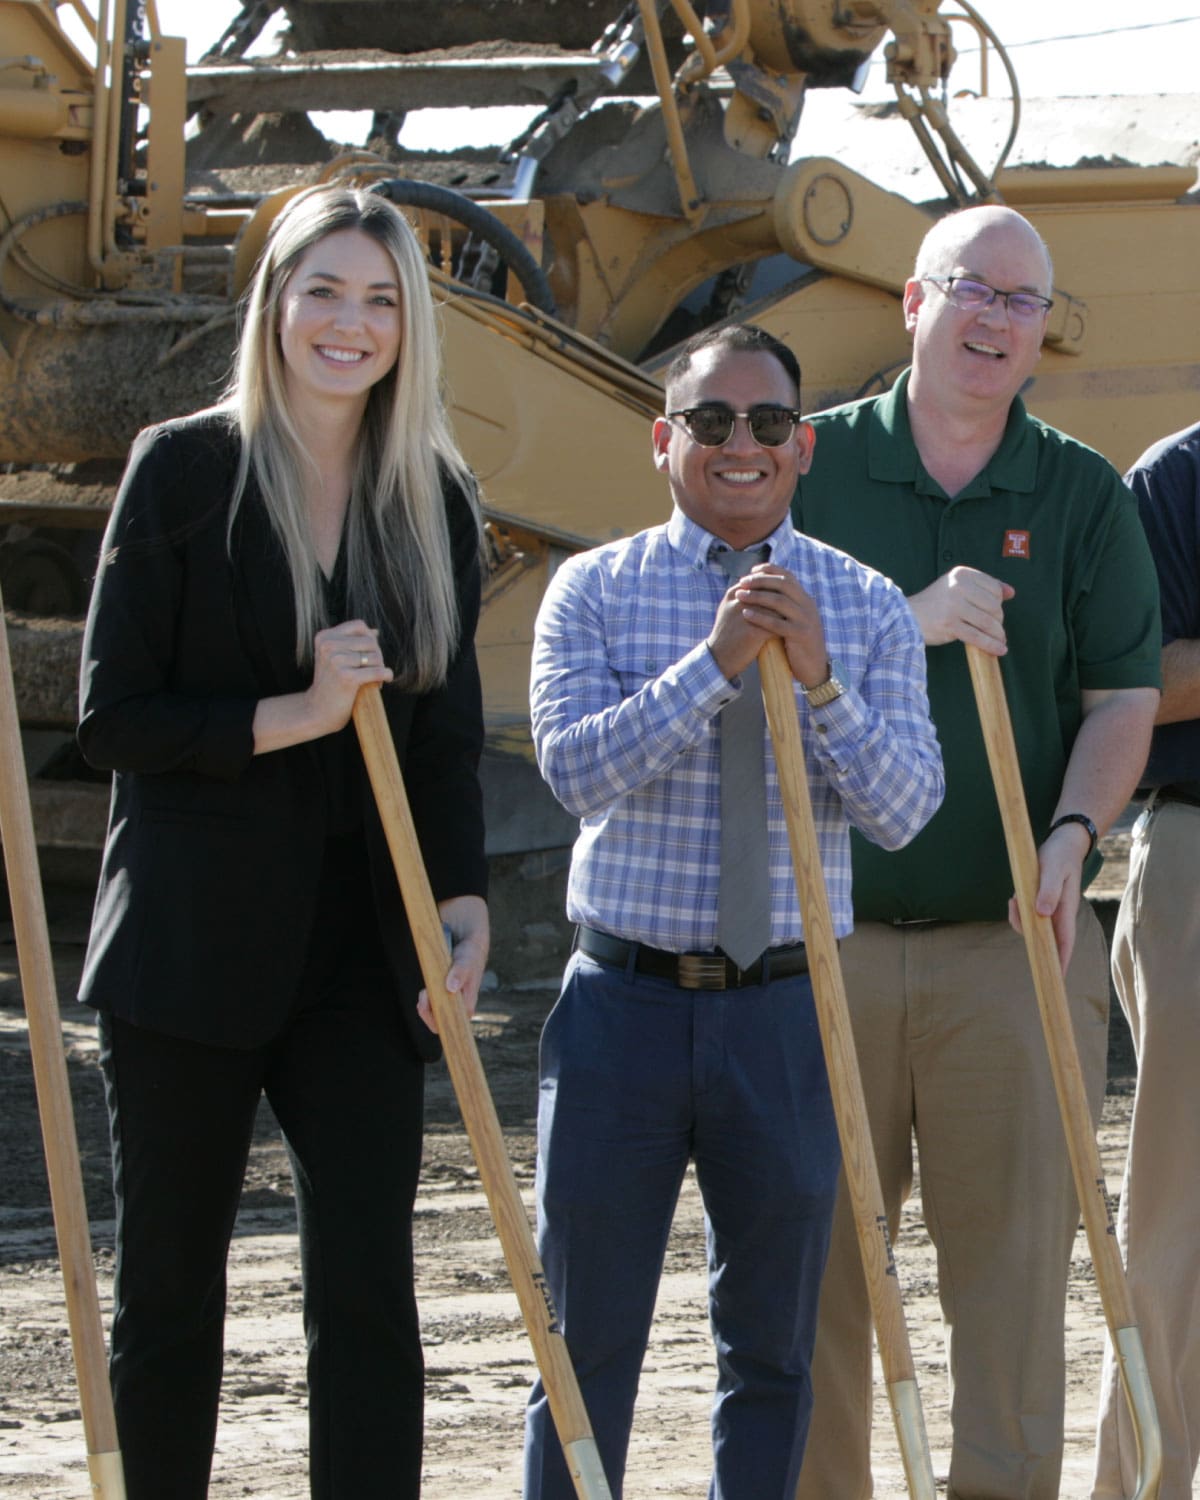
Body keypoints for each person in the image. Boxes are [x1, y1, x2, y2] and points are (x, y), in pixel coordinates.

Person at [76, 184, 490, 1500]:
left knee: (368, 1298)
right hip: (187, 957)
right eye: (323, 291)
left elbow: (444, 735)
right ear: (274, 305)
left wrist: (464, 898)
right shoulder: (185, 469)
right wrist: (293, 716)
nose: (349, 324)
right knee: (169, 1300)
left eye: (379, 300)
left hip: (362, 966)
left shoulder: (432, 495)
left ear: (407, 327)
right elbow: (115, 718)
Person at [523, 322, 944, 1499]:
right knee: (585, 1342)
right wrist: (715, 664)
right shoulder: (592, 591)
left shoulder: (861, 608)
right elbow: (573, 772)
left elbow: (909, 810)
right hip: (622, 1010)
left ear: (803, 447)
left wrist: (820, 684)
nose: (740, 444)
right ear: (664, 442)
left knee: (771, 1348)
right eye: (710, 422)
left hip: (787, 1017)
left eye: (767, 423)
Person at [792, 204, 1162, 1500]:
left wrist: (1075, 833)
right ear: (912, 302)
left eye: (1026, 303)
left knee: (1010, 1282)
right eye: (978, 291)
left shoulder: (1079, 490)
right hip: (817, 942)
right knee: (820, 1279)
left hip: (1014, 938)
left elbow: (1123, 695)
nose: (1002, 321)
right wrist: (906, 620)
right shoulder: (803, 463)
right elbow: (729, 657)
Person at [1092, 420, 1200, 1500]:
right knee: (1180, 1223)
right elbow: (1134, 674)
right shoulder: (1177, 480)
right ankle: (1146, 1488)